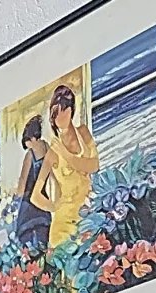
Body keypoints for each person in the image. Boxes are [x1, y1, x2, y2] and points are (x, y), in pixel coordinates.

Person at [30, 82, 100, 250]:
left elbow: (94, 166)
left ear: (71, 110)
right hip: (63, 226)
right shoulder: (53, 151)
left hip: (89, 214)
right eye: (55, 113)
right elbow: (35, 196)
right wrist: (55, 207)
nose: (60, 117)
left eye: (64, 110)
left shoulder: (83, 133)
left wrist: (66, 154)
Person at [9, 113, 51, 255]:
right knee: (44, 239)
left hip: (29, 204)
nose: (26, 145)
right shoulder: (46, 147)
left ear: (32, 138)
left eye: (26, 140)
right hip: (43, 201)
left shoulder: (30, 155)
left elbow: (22, 184)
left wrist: (15, 198)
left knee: (25, 242)